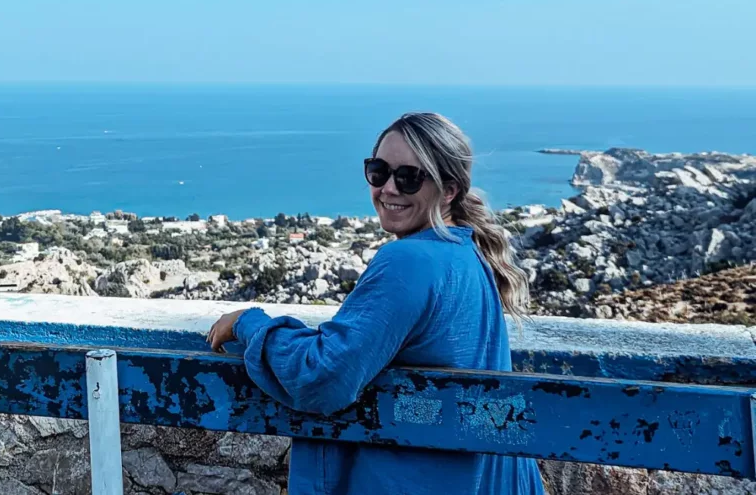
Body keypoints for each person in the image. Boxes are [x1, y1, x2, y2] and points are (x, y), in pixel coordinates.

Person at [207, 112, 547, 495]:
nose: (388, 188)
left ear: (449, 190)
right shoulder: (468, 256)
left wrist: (249, 324)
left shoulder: (409, 261)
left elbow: (322, 375)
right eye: (379, 171)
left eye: (409, 177)